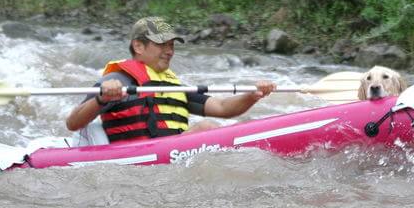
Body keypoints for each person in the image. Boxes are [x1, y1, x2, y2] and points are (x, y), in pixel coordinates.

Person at [66, 16, 276, 143]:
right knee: (205, 128)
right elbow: (73, 123)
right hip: (134, 158)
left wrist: (252, 96)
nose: (169, 51)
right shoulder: (116, 80)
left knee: (210, 126)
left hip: (169, 157)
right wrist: (101, 98)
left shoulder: (174, 86)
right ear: (138, 46)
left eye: (172, 45)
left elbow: (222, 108)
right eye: (162, 44)